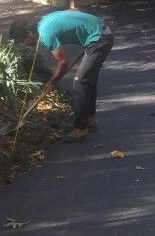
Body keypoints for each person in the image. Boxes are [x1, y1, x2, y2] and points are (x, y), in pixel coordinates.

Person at [10, 9, 114, 139]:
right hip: (100, 32)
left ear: (29, 34)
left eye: (22, 41)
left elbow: (63, 62)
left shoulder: (46, 35)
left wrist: (53, 82)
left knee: (79, 81)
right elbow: (74, 11)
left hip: (99, 38)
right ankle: (89, 120)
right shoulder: (45, 21)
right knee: (88, 80)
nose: (23, 44)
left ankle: (80, 129)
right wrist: (85, 33)